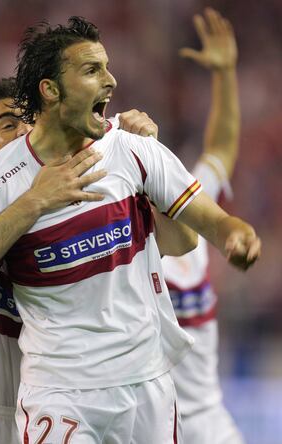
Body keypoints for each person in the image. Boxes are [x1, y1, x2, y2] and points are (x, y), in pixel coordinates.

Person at [0, 17, 260, 444]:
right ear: (50, 90)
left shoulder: (134, 151)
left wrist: (236, 234)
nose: (112, 81)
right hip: (59, 395)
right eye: (92, 70)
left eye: (107, 67)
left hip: (147, 387)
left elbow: (209, 220)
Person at [0, 77, 193, 443]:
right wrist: (32, 202)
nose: (22, 131)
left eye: (28, 121)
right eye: (7, 124)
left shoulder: (86, 211)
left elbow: (180, 242)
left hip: (43, 401)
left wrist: (150, 163)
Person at [164, 9, 245, 443]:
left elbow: (221, 147)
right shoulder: (108, 240)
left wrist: (226, 75)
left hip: (210, 429)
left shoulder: (190, 208)